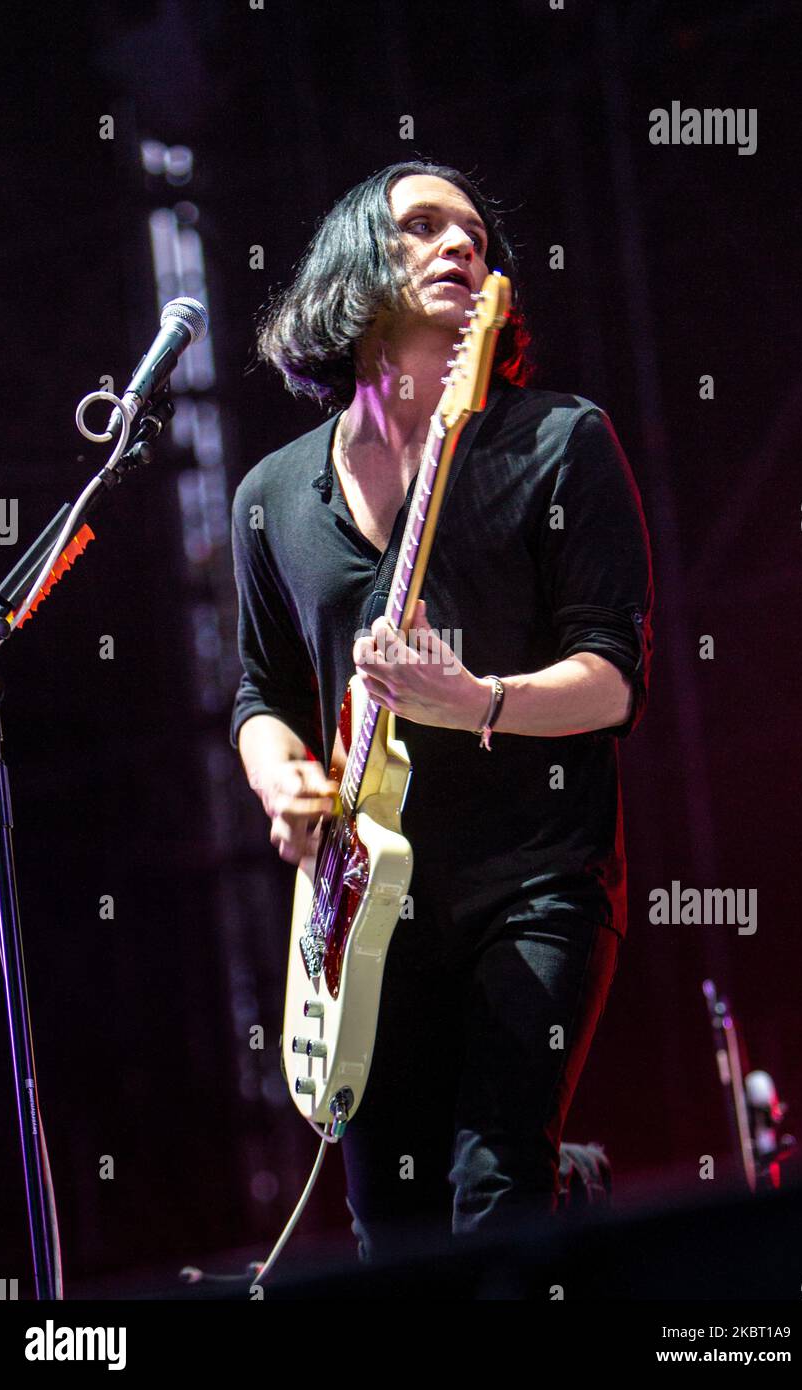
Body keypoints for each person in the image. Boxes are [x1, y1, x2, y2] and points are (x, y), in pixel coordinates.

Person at [230, 160, 654, 1261]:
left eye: (474, 233)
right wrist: (284, 781)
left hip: (533, 881)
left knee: (491, 1191)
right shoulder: (272, 498)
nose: (459, 245)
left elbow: (610, 681)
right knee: (394, 1238)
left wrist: (474, 701)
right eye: (421, 226)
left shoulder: (560, 440)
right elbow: (261, 697)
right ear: (351, 268)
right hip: (364, 912)